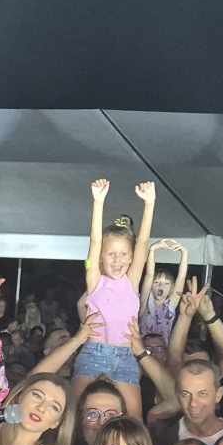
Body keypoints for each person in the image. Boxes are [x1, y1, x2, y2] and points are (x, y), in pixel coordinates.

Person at [75, 177, 155, 419]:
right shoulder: (95, 281)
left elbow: (143, 242)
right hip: (93, 353)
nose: (117, 260)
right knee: (77, 417)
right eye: (111, 254)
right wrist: (98, 202)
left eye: (123, 254)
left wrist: (149, 204)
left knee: (133, 421)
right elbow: (95, 241)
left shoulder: (132, 281)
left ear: (131, 258)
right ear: (101, 257)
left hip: (125, 355)